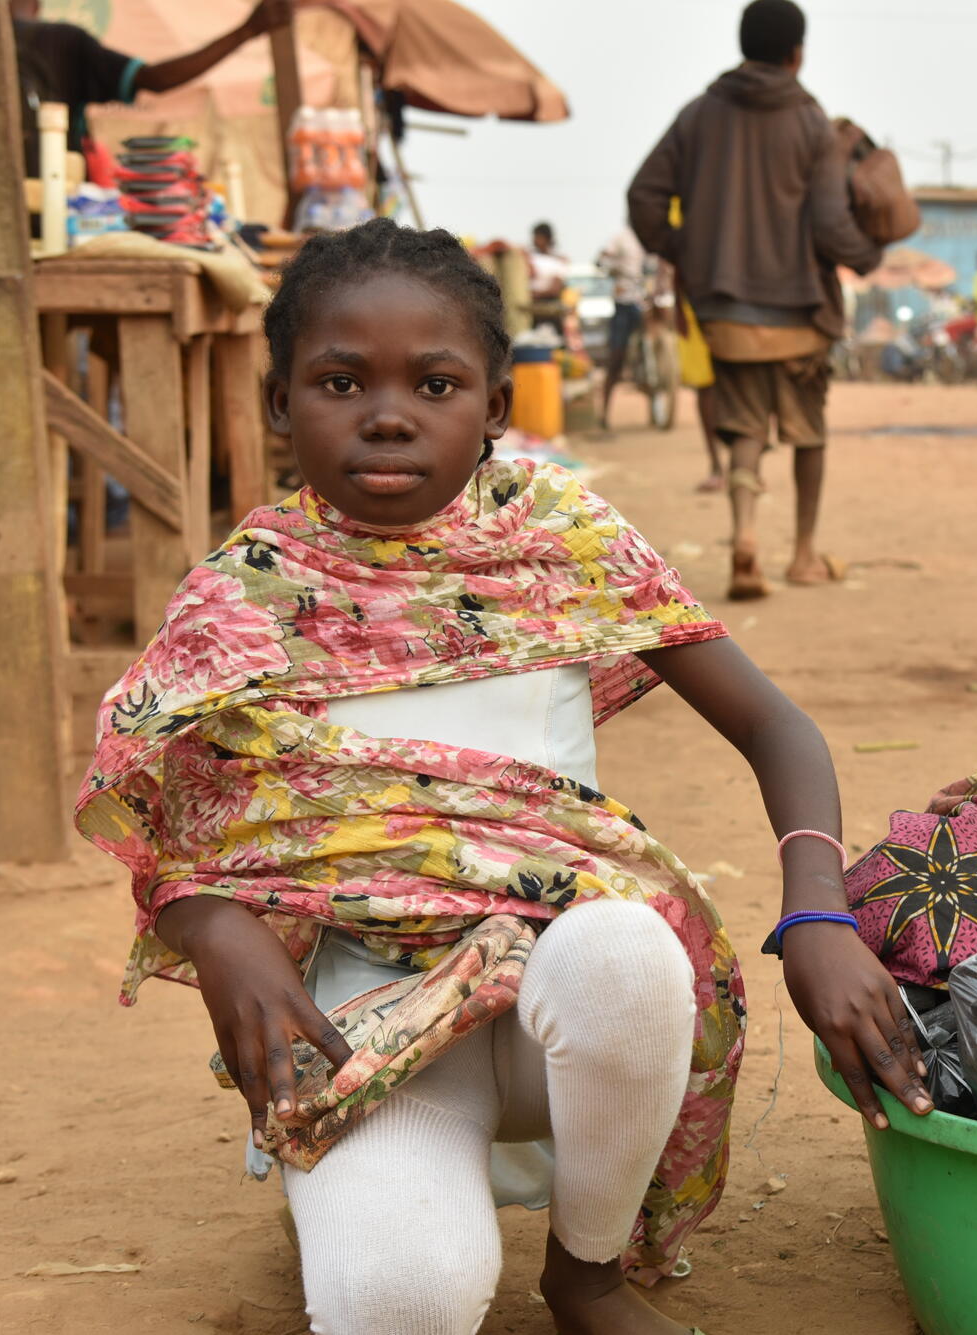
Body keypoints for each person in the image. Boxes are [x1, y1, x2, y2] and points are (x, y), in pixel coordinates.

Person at [76, 218, 932, 1335]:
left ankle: (586, 1271)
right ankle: (344, 1182)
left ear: (492, 409)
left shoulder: (558, 539)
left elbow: (775, 727)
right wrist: (209, 922)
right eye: (340, 381)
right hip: (360, 1022)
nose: (387, 413)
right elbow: (168, 813)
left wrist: (817, 912)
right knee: (399, 1301)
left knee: (626, 948)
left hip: (563, 1013)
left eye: (434, 383)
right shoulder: (245, 596)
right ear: (281, 403)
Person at [627, 0, 883, 600]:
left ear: (744, 46)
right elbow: (827, 220)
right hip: (802, 310)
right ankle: (802, 554)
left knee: (742, 427)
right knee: (808, 432)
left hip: (725, 310)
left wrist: (686, 248)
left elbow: (644, 195)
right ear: (797, 53)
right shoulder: (812, 122)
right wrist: (866, 256)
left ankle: (745, 538)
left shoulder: (698, 115)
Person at [9, 0, 291, 178]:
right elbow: (155, 80)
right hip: (51, 212)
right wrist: (246, 31)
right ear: (37, 5)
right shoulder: (60, 43)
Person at [596, 225, 648, 431]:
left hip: (643, 300)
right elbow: (603, 260)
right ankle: (604, 413)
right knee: (616, 356)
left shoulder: (649, 238)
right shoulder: (620, 238)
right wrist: (611, 266)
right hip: (624, 301)